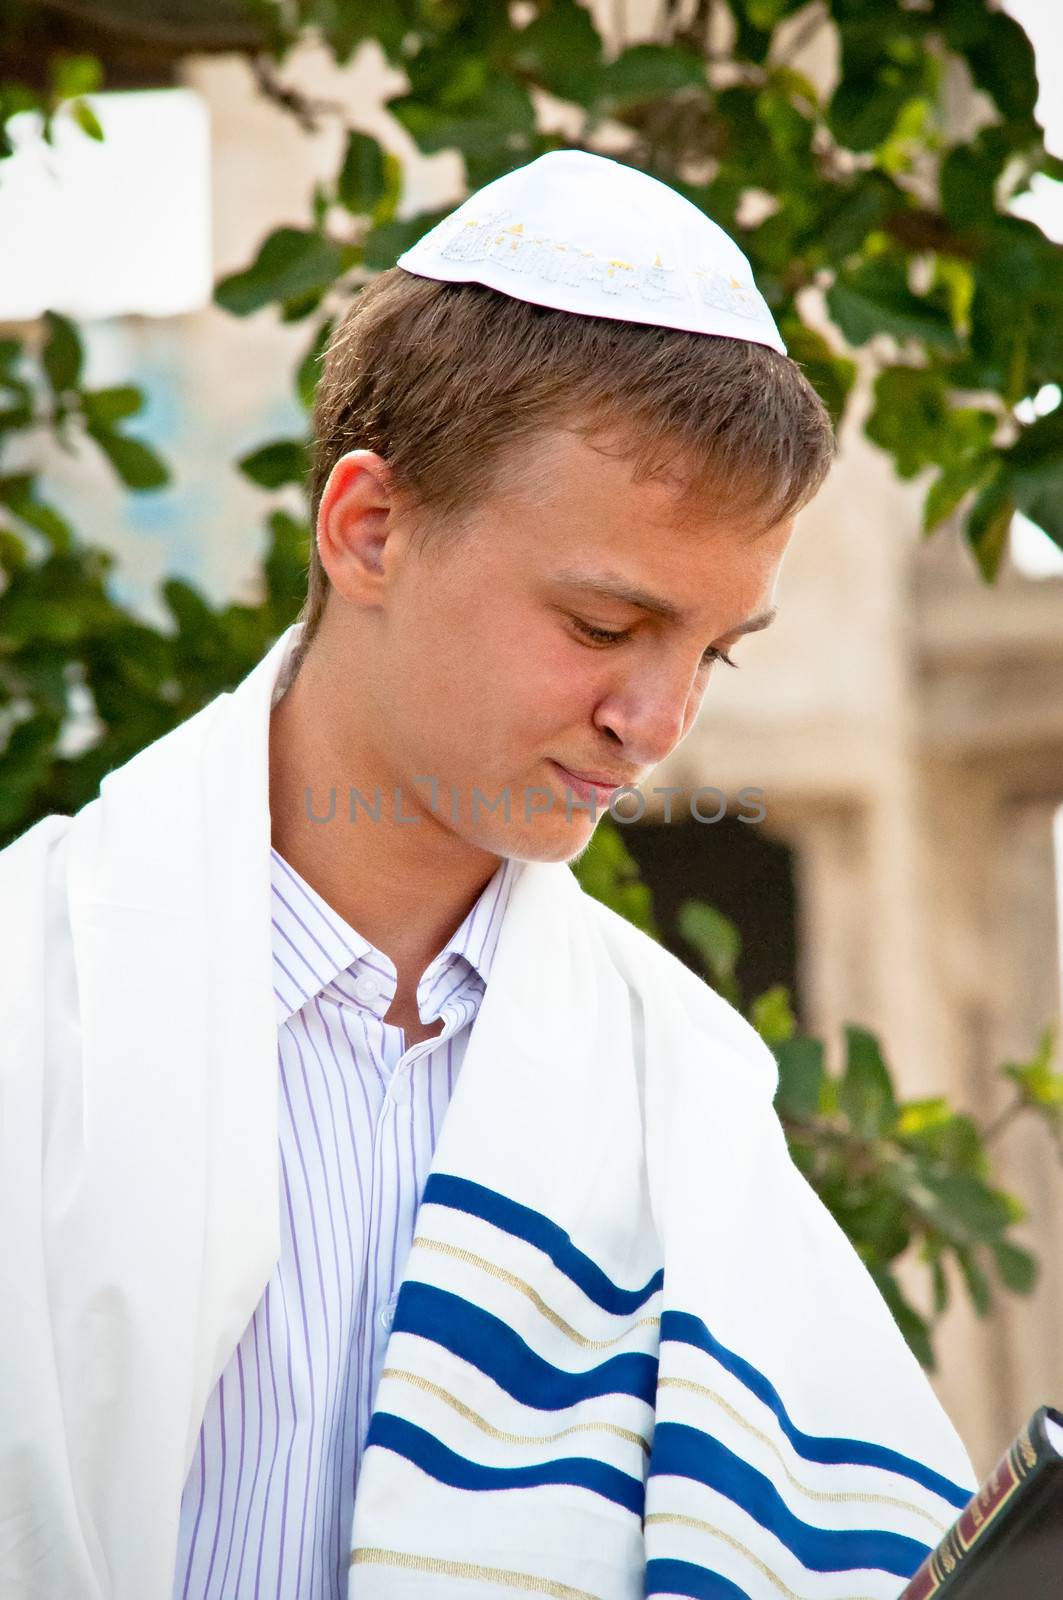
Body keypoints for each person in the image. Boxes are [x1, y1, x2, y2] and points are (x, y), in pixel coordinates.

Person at [0, 150, 975, 1600]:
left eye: (711, 651)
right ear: (369, 527)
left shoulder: (684, 1082)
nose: (656, 725)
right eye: (601, 625)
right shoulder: (32, 998)